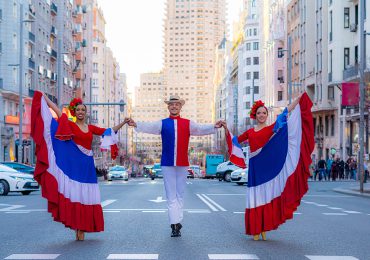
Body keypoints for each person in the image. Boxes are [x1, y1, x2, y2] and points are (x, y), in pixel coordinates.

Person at [31, 91, 127, 241]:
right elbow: (56, 110)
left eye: (83, 110)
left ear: (86, 112)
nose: (81, 112)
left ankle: (82, 227)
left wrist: (124, 122)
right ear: (74, 111)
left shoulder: (91, 128)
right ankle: (77, 226)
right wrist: (45, 98)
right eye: (78, 110)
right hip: (74, 165)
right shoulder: (69, 124)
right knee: (75, 194)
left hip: (87, 166)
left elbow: (108, 131)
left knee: (86, 195)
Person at [127, 95, 224, 237]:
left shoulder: (188, 123)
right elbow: (149, 126)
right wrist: (136, 124)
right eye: (171, 104)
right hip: (167, 164)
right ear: (168, 107)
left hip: (183, 163)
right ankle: (174, 225)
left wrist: (214, 126)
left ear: (180, 107)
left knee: (180, 195)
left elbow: (200, 129)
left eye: (176, 104)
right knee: (171, 196)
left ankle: (177, 221)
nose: (174, 107)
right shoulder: (162, 123)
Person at [222, 92, 314, 241]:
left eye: (264, 112)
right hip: (255, 169)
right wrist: (226, 129)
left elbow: (285, 113)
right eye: (259, 113)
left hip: (268, 168)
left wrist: (298, 101)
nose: (262, 115)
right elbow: (235, 141)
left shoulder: (272, 128)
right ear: (255, 115)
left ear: (266, 114)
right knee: (256, 197)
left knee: (267, 196)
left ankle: (263, 227)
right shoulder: (250, 132)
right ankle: (255, 229)